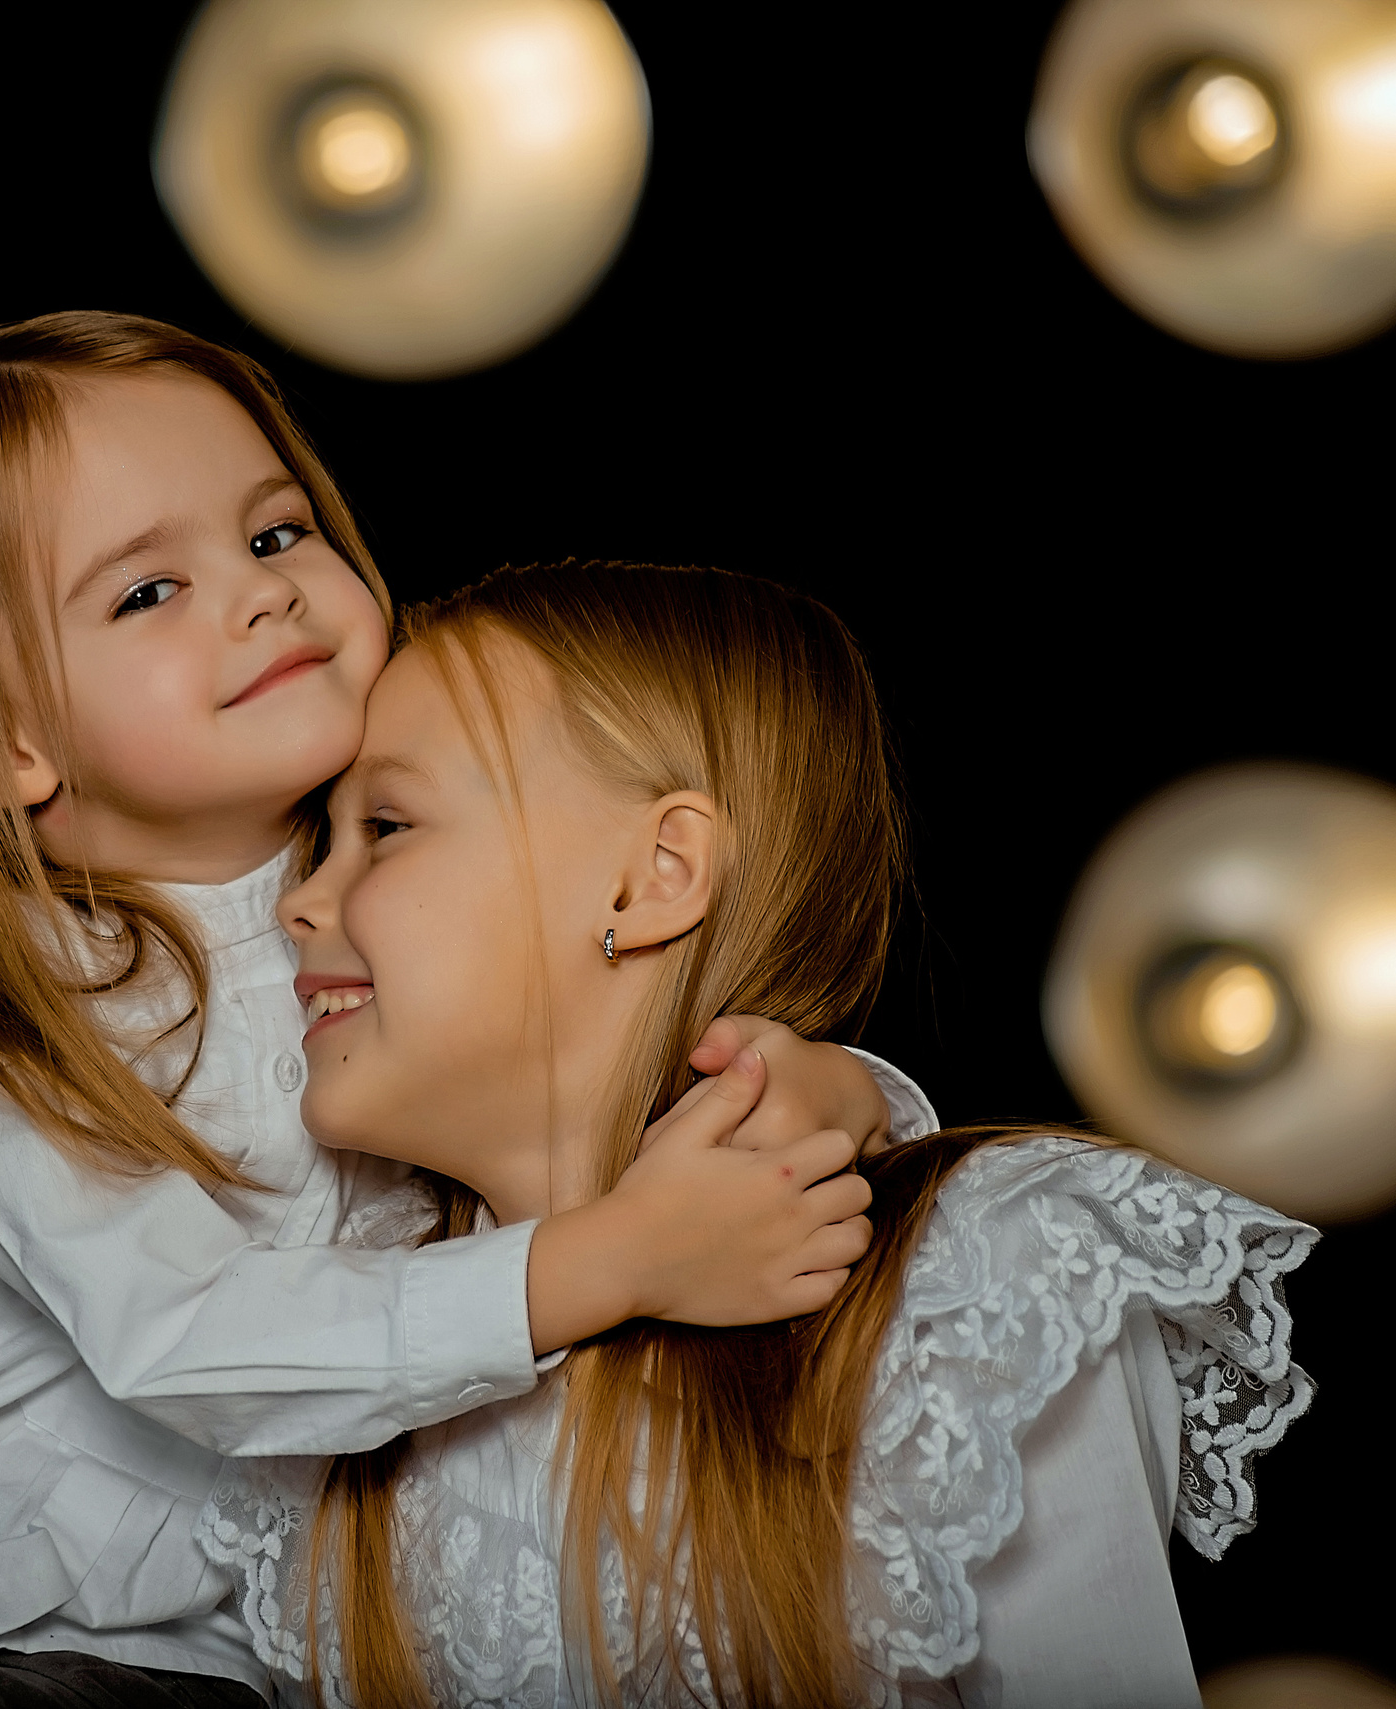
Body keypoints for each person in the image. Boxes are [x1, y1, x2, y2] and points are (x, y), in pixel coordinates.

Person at [0, 318, 936, 1708]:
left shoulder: (405, 913)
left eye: (276, 532)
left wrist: (836, 1088)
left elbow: (596, 1033)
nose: (261, 593)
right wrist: (609, 1261)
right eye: (145, 592)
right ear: (5, 742)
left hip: (153, 1666)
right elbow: (184, 1339)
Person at [200, 561, 1317, 1708]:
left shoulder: (974, 1285)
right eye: (318, 841)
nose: (296, 900)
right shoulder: (329, 1361)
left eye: (385, 825)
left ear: (653, 876)